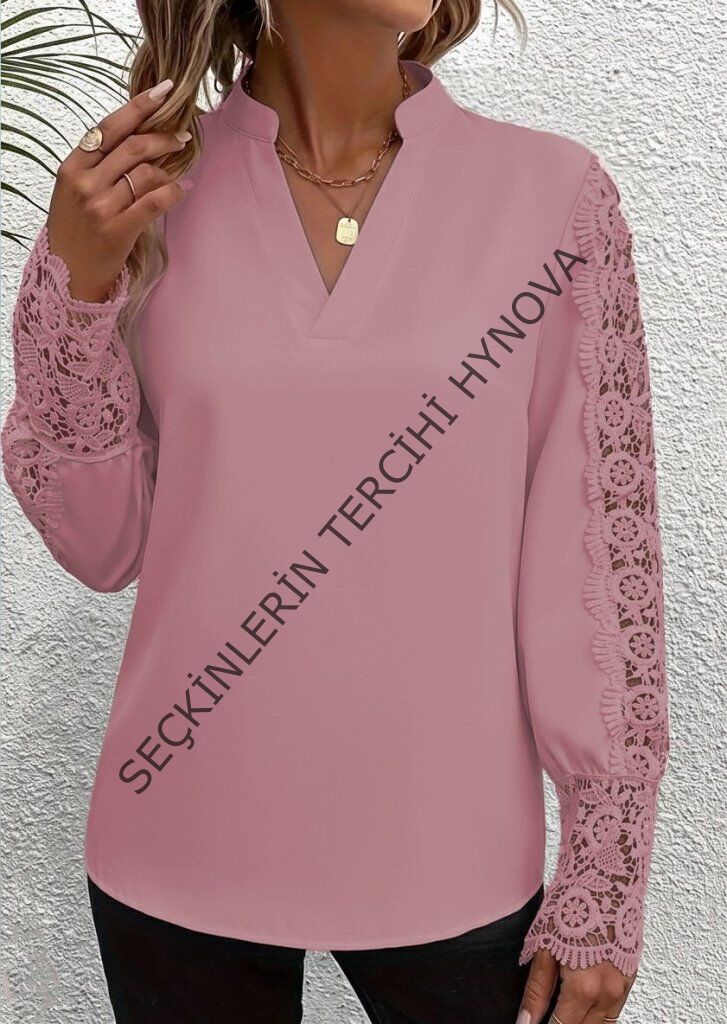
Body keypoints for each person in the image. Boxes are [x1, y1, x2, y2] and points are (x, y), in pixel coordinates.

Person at [1, 1, 671, 1022]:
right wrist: (79, 283)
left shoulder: (551, 198)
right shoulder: (137, 195)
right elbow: (103, 546)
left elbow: (595, 556)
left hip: (452, 858)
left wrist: (604, 873)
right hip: (175, 845)